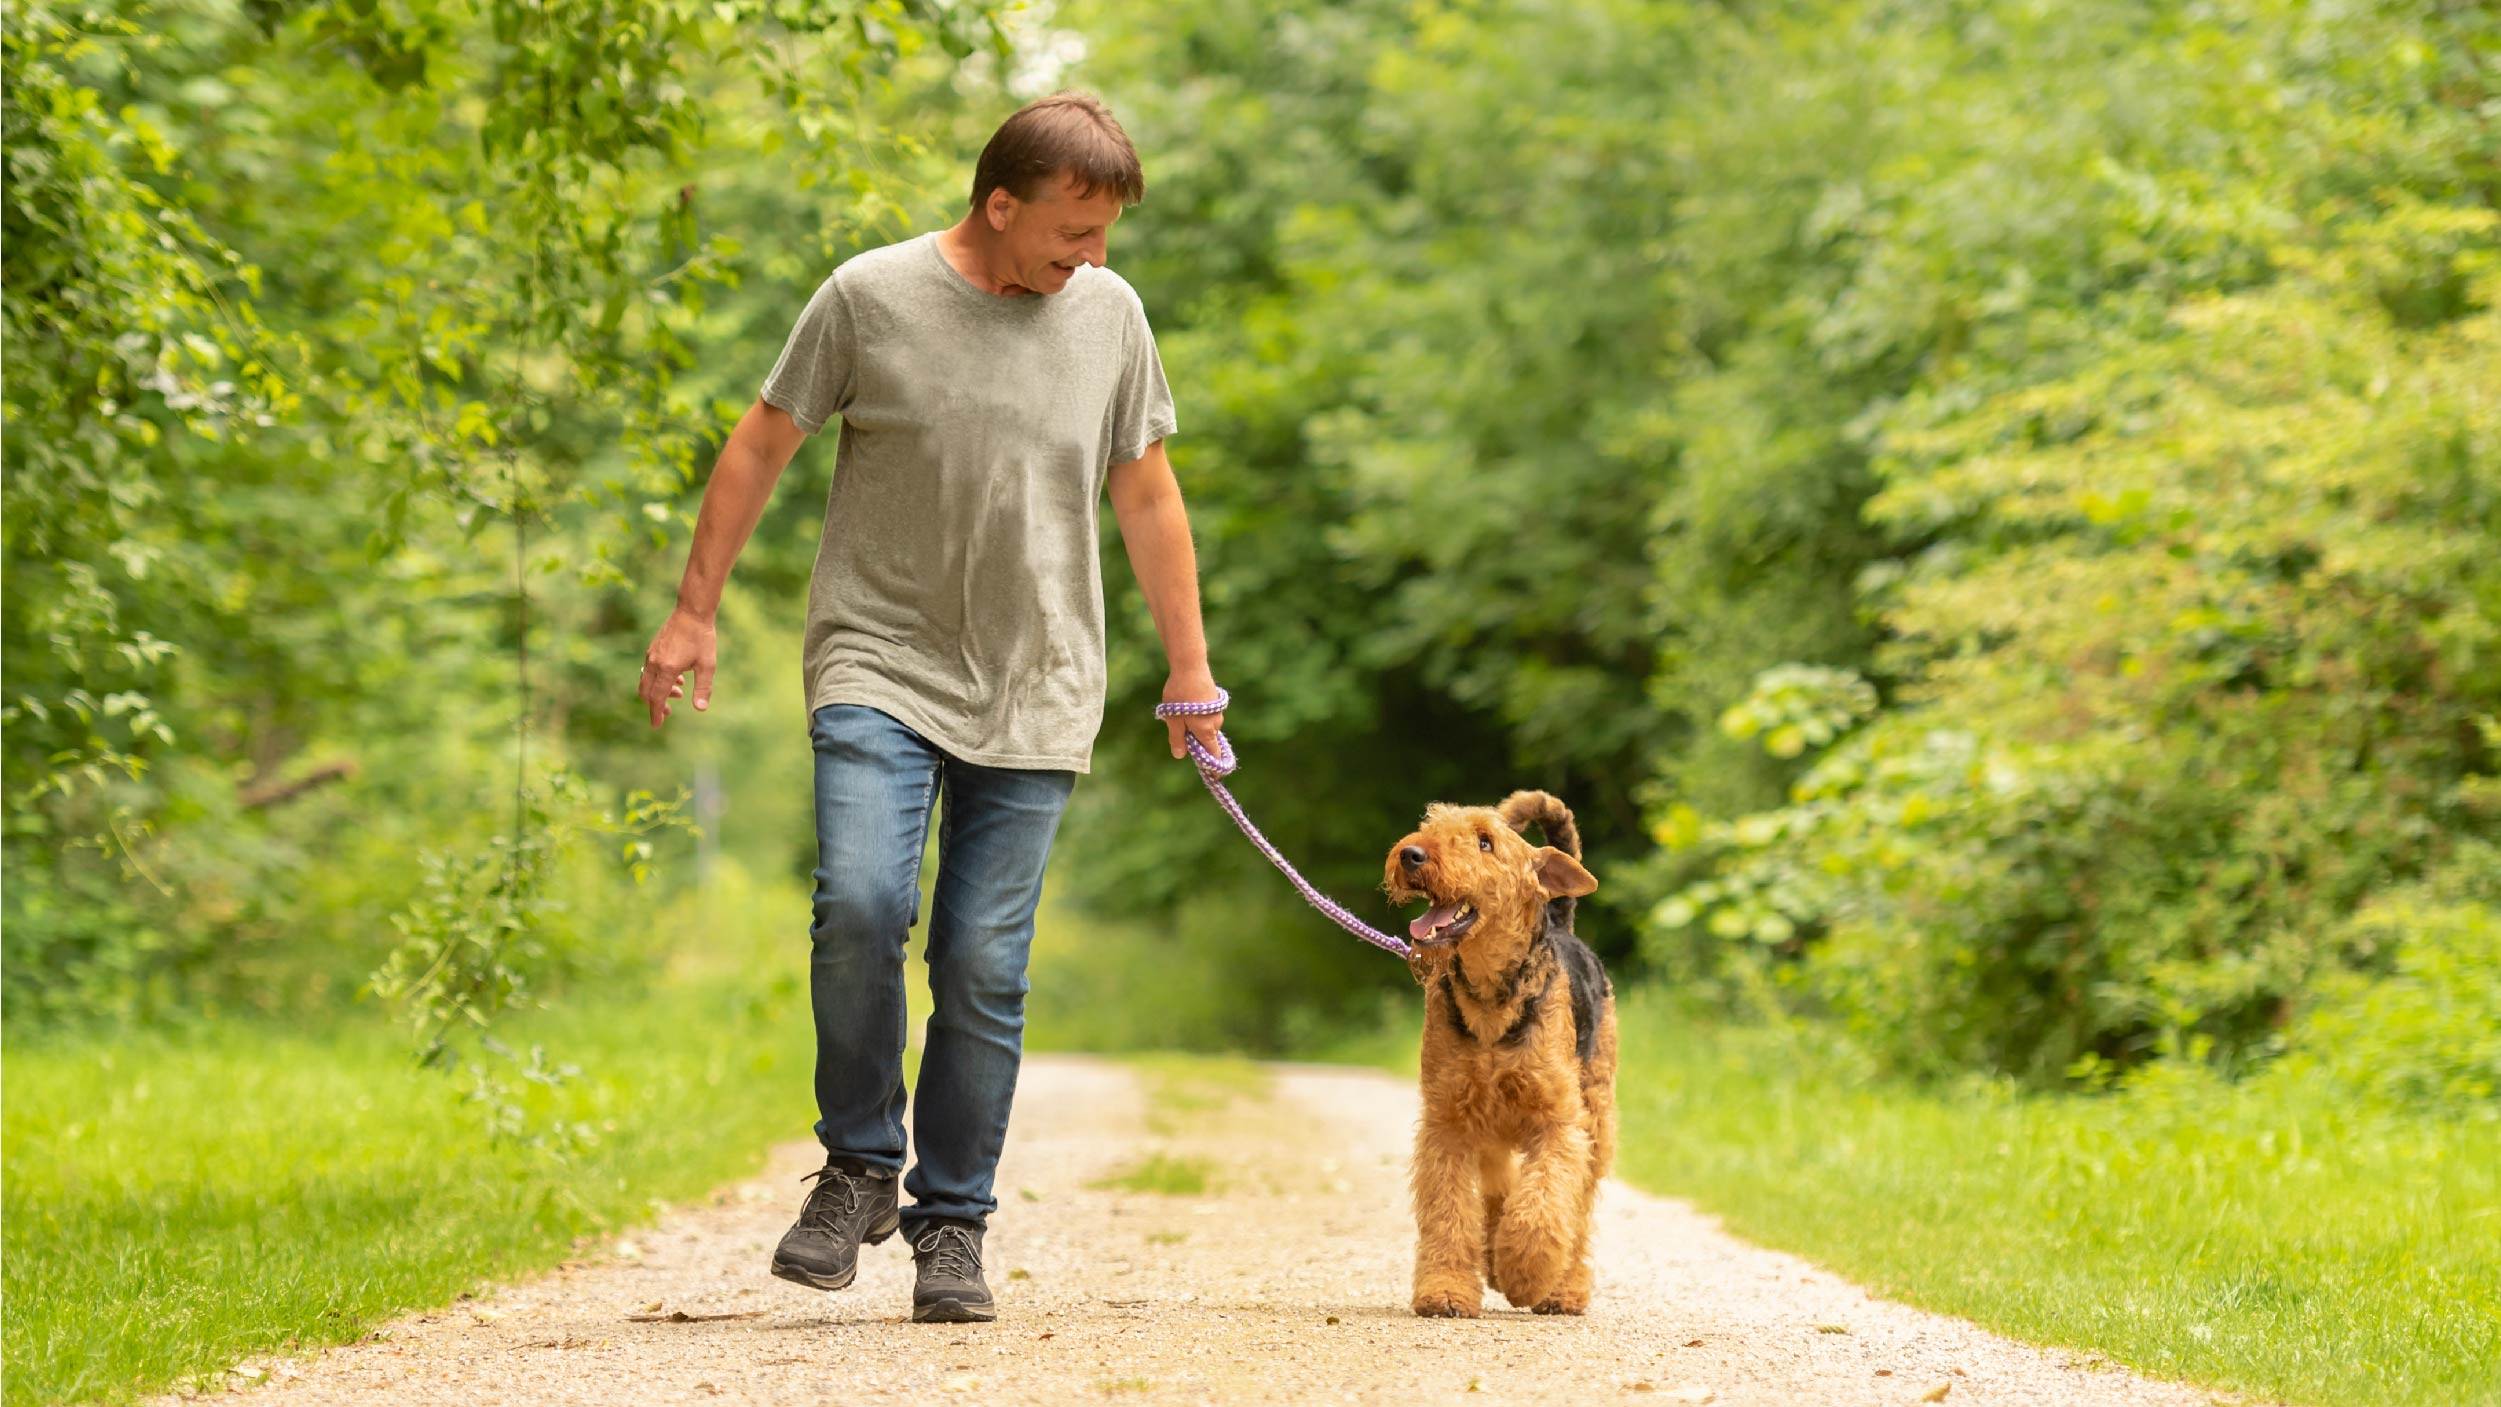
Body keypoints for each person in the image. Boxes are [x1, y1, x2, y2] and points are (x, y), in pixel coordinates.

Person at [635, 90, 1226, 1324]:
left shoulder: (1108, 317)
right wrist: (693, 611)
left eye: (1106, 234)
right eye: (1073, 231)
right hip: (879, 656)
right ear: (997, 203)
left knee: (980, 963)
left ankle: (951, 1223)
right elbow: (758, 444)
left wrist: (1188, 669)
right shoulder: (868, 296)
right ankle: (858, 1164)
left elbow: (1149, 494)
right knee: (858, 902)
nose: (1093, 258)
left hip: (1041, 674)